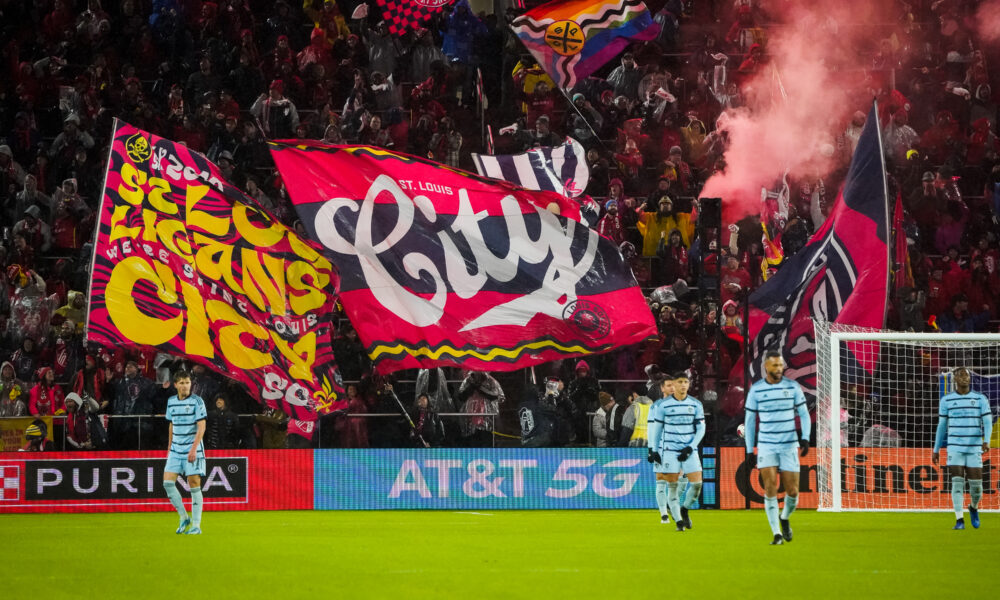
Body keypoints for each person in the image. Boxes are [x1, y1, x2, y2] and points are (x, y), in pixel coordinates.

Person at [744, 351, 811, 545]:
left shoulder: (792, 387)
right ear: (766, 367)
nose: (779, 369)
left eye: (781, 365)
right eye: (775, 366)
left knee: (793, 491)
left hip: (789, 444)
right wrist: (750, 450)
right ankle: (776, 534)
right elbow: (749, 421)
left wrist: (805, 438)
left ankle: (784, 518)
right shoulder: (756, 390)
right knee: (770, 487)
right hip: (766, 445)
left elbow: (804, 414)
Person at [933, 367, 993, 530]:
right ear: (955, 379)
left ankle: (973, 507)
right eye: (961, 375)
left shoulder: (980, 399)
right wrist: (936, 449)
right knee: (957, 483)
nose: (965, 378)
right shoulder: (946, 400)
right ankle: (959, 519)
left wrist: (986, 440)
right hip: (955, 447)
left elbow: (987, 422)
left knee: (977, 487)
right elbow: (942, 425)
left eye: (967, 375)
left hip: (974, 447)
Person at [648, 374, 705, 530]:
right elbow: (655, 429)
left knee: (696, 485)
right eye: (678, 382)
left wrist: (690, 447)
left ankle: (684, 509)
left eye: (685, 382)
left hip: (689, 450)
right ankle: (672, 518)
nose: (681, 385)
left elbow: (701, 428)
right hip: (667, 449)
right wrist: (653, 449)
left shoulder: (696, 404)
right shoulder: (659, 406)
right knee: (667, 483)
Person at [163, 370, 207, 535]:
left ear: (191, 384)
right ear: (175, 385)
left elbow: (201, 426)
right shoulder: (171, 401)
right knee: (167, 483)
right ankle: (183, 517)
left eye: (187, 382)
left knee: (194, 484)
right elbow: (171, 424)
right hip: (175, 449)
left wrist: (194, 448)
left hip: (192, 448)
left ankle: (196, 525)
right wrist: (169, 447)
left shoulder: (197, 401)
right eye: (181, 383)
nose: (185, 386)